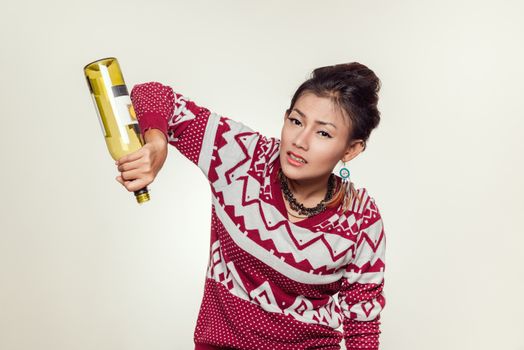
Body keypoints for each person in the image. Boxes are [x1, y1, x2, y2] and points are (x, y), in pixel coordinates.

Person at [115, 62, 386, 350]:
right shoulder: (241, 158)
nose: (300, 141)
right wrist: (158, 143)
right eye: (296, 121)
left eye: (323, 133)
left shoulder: (361, 219)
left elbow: (362, 326)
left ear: (351, 149)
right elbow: (152, 94)